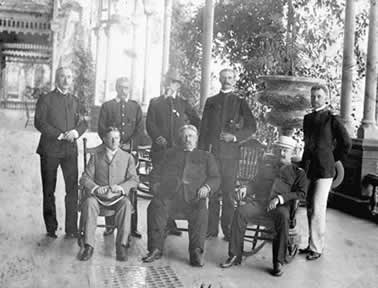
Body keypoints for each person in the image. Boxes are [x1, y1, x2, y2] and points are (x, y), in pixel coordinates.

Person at [220, 136, 307, 276]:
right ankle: (235, 255)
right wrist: (245, 189)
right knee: (241, 211)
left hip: (280, 207)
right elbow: (254, 184)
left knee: (283, 217)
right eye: (279, 150)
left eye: (285, 151)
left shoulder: (298, 173)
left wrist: (281, 198)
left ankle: (278, 261)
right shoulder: (266, 168)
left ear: (292, 153)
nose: (282, 154)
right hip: (260, 204)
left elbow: (302, 194)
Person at [142, 125, 220, 267]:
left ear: (196, 139)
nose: (187, 139)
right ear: (180, 139)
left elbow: (215, 178)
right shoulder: (169, 154)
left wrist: (206, 187)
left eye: (191, 136)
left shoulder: (206, 156)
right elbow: (155, 173)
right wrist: (156, 188)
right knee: (155, 205)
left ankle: (196, 252)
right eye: (185, 136)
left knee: (201, 210)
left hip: (193, 198)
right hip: (170, 197)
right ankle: (155, 249)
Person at [198, 68, 257, 240]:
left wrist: (235, 137)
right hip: (213, 155)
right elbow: (203, 130)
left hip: (231, 156)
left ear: (234, 79)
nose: (227, 81)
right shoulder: (211, 101)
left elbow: (252, 127)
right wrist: (202, 155)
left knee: (229, 193)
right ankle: (211, 229)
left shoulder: (240, 102)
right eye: (224, 78)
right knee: (213, 192)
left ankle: (228, 229)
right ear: (219, 79)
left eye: (230, 78)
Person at [34, 66, 87, 239]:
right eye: (63, 76)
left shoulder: (76, 100)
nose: (66, 80)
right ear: (57, 79)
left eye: (69, 77)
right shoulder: (46, 98)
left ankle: (71, 228)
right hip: (50, 150)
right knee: (49, 190)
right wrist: (58, 135)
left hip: (70, 151)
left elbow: (84, 123)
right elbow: (39, 122)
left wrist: (75, 133)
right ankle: (51, 227)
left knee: (72, 189)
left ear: (72, 80)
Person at [300, 85, 351, 260]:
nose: (315, 99)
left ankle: (317, 248)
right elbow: (307, 144)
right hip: (309, 168)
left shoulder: (332, 120)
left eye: (319, 96)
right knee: (309, 207)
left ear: (326, 98)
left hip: (325, 169)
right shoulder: (307, 119)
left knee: (317, 208)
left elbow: (346, 143)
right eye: (313, 96)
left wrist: (332, 158)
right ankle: (311, 244)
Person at [146, 69, 200, 236]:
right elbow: (150, 123)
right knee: (162, 185)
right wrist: (157, 137)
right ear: (165, 83)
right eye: (169, 81)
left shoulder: (183, 103)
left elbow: (197, 120)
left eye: (175, 82)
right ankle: (165, 222)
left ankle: (172, 220)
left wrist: (190, 137)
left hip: (177, 152)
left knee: (176, 182)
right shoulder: (155, 102)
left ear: (178, 85)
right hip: (160, 151)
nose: (171, 85)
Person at [78, 127, 138, 261]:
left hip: (118, 198)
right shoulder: (96, 157)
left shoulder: (127, 158)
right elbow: (84, 178)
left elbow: (134, 180)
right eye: (110, 138)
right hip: (98, 198)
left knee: (126, 205)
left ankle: (121, 246)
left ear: (120, 139)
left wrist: (122, 188)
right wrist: (95, 188)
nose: (113, 141)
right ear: (104, 139)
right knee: (89, 203)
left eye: (116, 138)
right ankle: (89, 245)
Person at [97, 76, 144, 237]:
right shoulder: (108, 106)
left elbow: (139, 129)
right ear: (116, 88)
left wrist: (130, 145)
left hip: (129, 153)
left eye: (127, 88)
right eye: (121, 88)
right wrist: (113, 145)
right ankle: (110, 226)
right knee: (111, 184)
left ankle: (132, 227)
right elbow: (102, 129)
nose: (124, 91)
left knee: (131, 188)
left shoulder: (135, 106)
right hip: (111, 152)